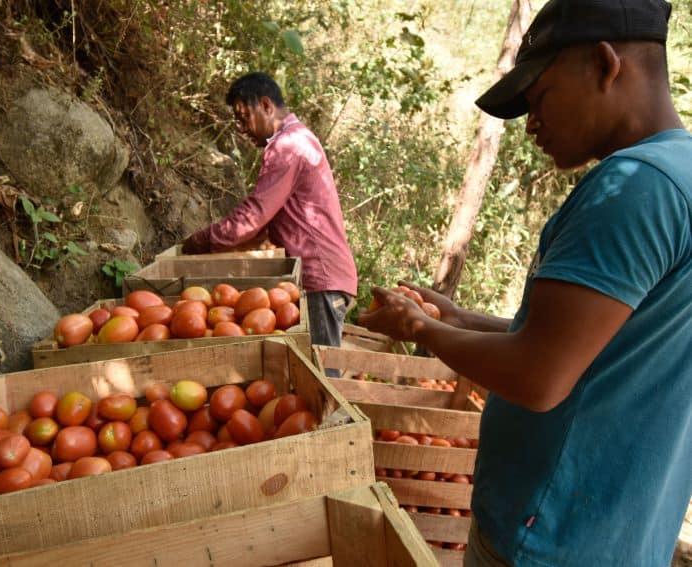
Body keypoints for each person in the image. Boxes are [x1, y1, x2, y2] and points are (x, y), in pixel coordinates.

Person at [358, 1, 692, 565]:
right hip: (616, 538)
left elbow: (540, 375)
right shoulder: (679, 173)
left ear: (606, 64)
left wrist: (420, 328)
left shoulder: (636, 186)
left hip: (551, 540)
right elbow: (594, 346)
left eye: (539, 99)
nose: (532, 124)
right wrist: (458, 318)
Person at [182, 72, 358, 351]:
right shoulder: (299, 139)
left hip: (320, 278)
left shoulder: (288, 145)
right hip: (324, 276)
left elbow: (254, 216)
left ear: (266, 105)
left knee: (322, 379)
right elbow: (267, 223)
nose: (241, 128)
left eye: (243, 117)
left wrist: (200, 242)